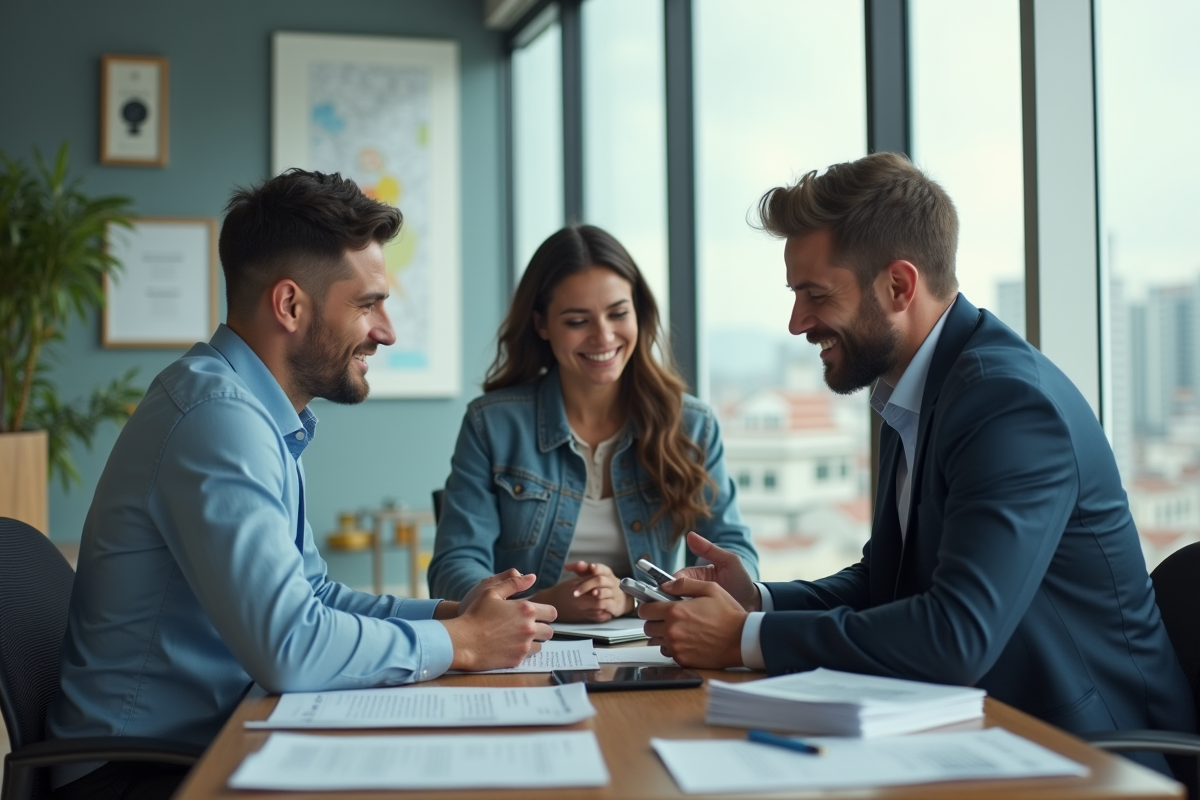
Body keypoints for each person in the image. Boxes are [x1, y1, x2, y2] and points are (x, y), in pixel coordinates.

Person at [639, 153, 1196, 779]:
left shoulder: (1007, 402)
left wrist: (745, 639)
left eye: (815, 295)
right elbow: (887, 582)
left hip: (1090, 756)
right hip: (978, 730)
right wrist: (758, 601)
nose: (796, 322)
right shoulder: (921, 390)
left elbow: (956, 634)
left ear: (899, 286)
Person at [47, 170, 556, 800]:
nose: (388, 331)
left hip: (213, 735)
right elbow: (290, 646)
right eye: (368, 304)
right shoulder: (218, 419)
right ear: (290, 305)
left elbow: (312, 595)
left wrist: (451, 615)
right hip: (138, 773)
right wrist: (460, 642)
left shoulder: (253, 413)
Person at [427, 225, 757, 623]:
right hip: (524, 647)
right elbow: (453, 568)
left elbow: (734, 560)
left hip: (652, 646)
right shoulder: (491, 424)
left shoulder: (692, 425)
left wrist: (633, 599)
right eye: (577, 321)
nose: (603, 336)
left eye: (618, 313)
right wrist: (544, 602)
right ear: (542, 325)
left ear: (639, 312)